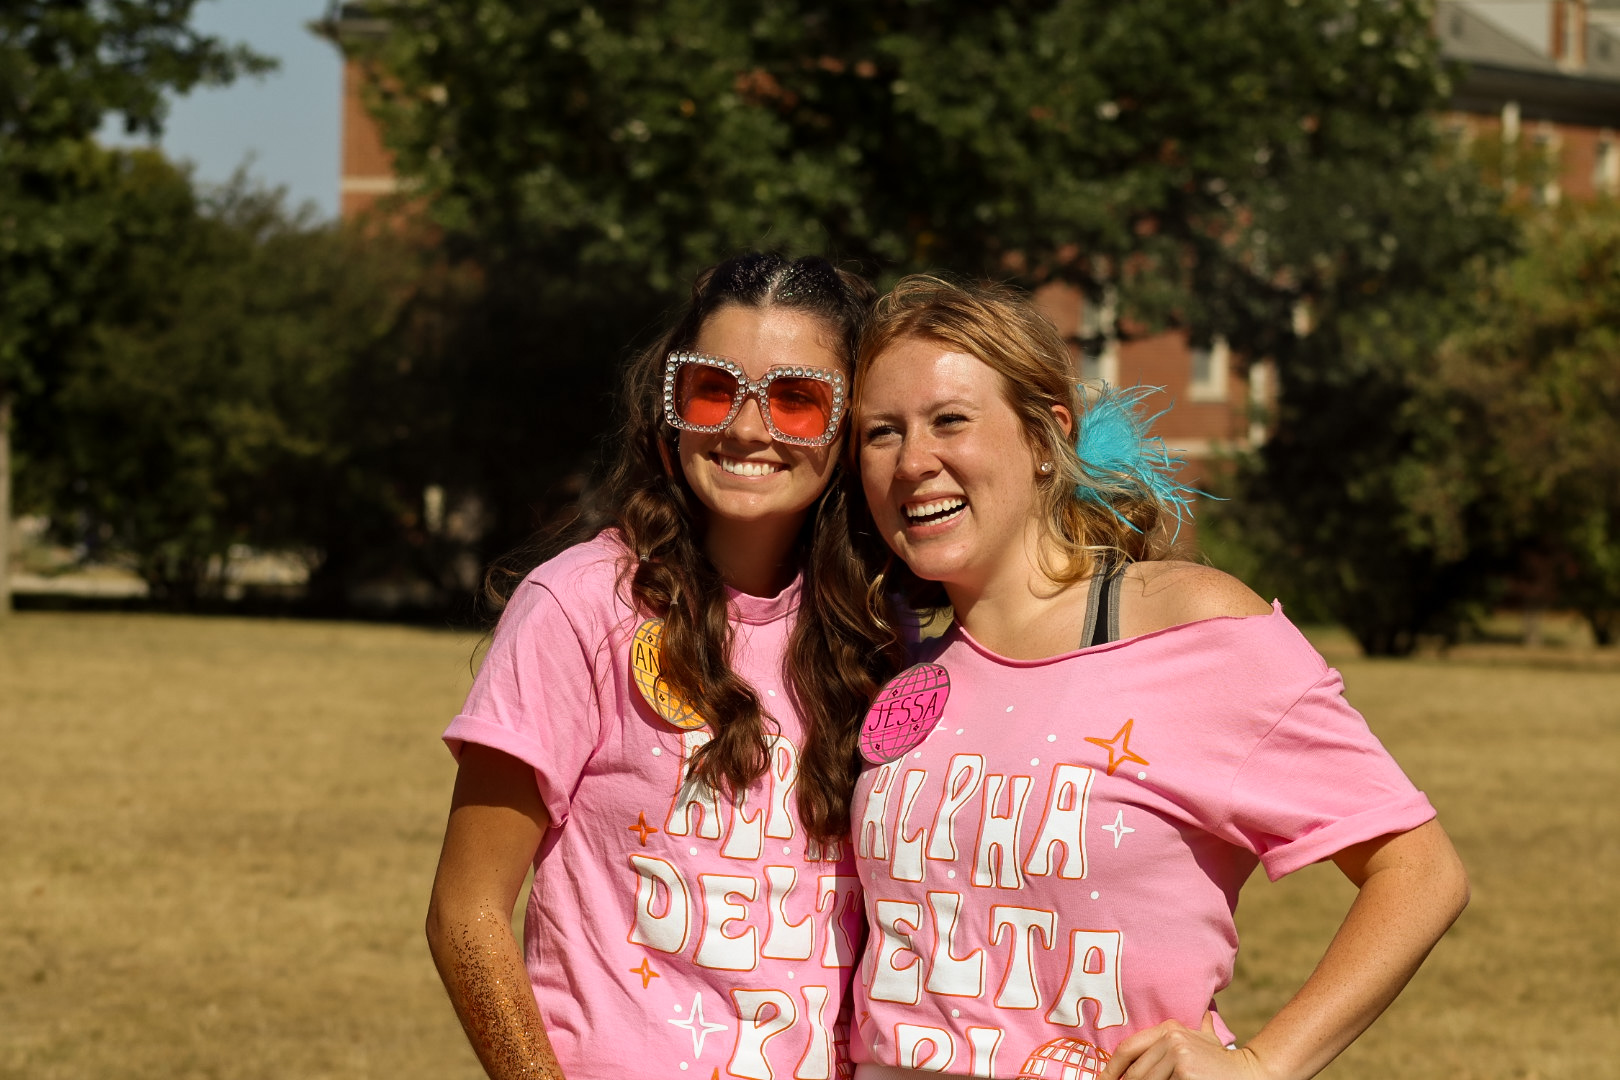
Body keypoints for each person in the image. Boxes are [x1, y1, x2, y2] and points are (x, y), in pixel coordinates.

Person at [843, 276, 1469, 1080]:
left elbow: (1420, 870)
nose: (912, 462)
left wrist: (1267, 1065)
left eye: (950, 421)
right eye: (880, 433)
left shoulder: (1191, 625)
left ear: (1045, 437)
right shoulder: (889, 650)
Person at [426, 253, 904, 1080]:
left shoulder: (882, 630)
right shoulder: (580, 605)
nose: (748, 429)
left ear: (847, 426)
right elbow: (465, 914)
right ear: (672, 407)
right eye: (714, 389)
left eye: (797, 399)